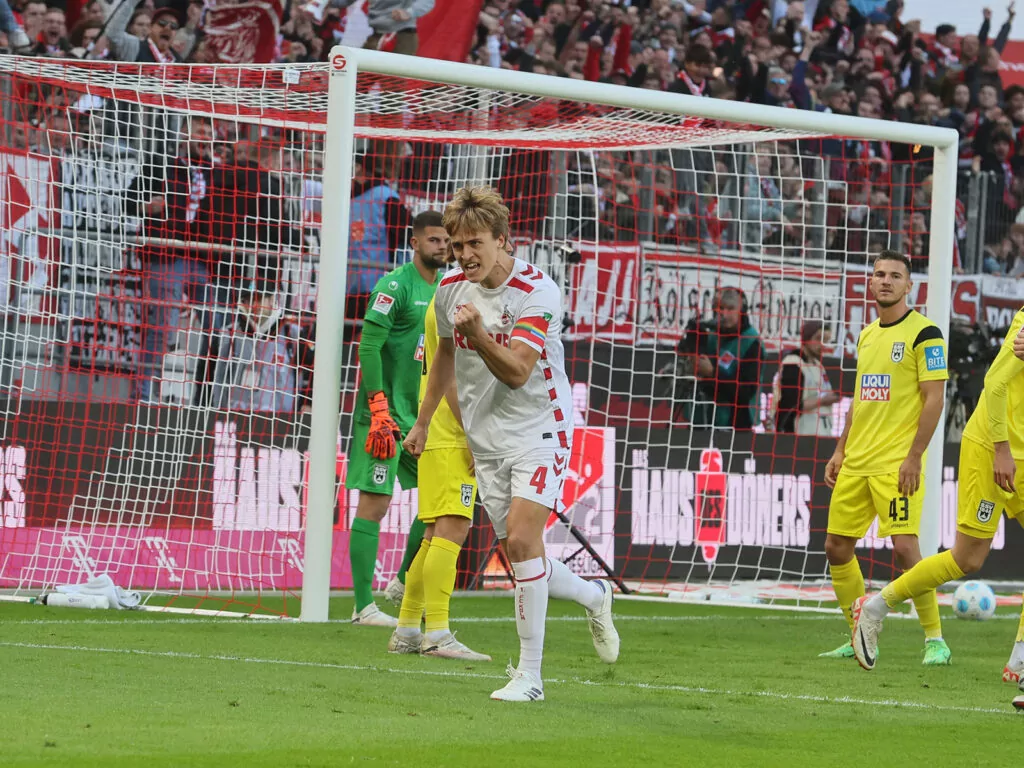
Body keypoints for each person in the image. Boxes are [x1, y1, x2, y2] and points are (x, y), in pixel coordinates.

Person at [403, 186, 619, 703]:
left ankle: (530, 676)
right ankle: (595, 595)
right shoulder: (451, 288)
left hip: (542, 426)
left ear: (504, 241)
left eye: (475, 243)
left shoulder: (537, 290)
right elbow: (446, 360)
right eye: (456, 246)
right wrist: (424, 419)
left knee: (522, 543)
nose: (465, 255)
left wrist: (479, 334)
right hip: (487, 436)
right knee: (523, 552)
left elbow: (520, 371)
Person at [852, 309, 1024, 691]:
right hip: (994, 448)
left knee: (969, 558)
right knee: (967, 558)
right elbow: (995, 382)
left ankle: (1019, 659)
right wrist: (1000, 450)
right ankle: (876, 607)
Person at [821, 251, 950, 665]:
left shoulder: (925, 334)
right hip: (857, 460)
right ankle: (856, 632)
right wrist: (841, 449)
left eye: (896, 276)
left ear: (910, 286)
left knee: (906, 549)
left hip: (896, 463)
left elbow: (935, 399)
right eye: (879, 274)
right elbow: (861, 399)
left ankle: (935, 639)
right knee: (836, 546)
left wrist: (915, 456)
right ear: (870, 283)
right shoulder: (868, 334)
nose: (886, 281)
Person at [345, 210, 448, 627]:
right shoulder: (394, 286)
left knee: (436, 507)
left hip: (421, 417)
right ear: (415, 243)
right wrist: (378, 408)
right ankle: (362, 606)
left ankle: (404, 581)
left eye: (447, 241)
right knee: (376, 502)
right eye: (434, 240)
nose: (442, 247)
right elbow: (368, 348)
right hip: (384, 416)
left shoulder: (448, 288)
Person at [387, 254, 490, 662]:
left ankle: (408, 629)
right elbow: (451, 371)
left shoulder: (444, 292)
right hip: (452, 430)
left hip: (436, 425)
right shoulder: (461, 296)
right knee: (452, 529)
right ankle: (439, 634)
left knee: (433, 534)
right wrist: (472, 434)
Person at [694, 287, 763, 430]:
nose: (723, 314)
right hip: (703, 421)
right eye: (720, 308)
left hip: (735, 426)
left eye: (730, 309)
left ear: (742, 310)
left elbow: (745, 392)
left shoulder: (751, 342)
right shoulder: (711, 335)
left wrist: (713, 374)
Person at [771, 320, 839, 435]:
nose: (822, 344)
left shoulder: (818, 365)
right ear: (806, 339)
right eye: (818, 339)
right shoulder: (793, 364)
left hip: (820, 433)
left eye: (825, 341)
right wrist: (822, 401)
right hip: (801, 435)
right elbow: (792, 406)